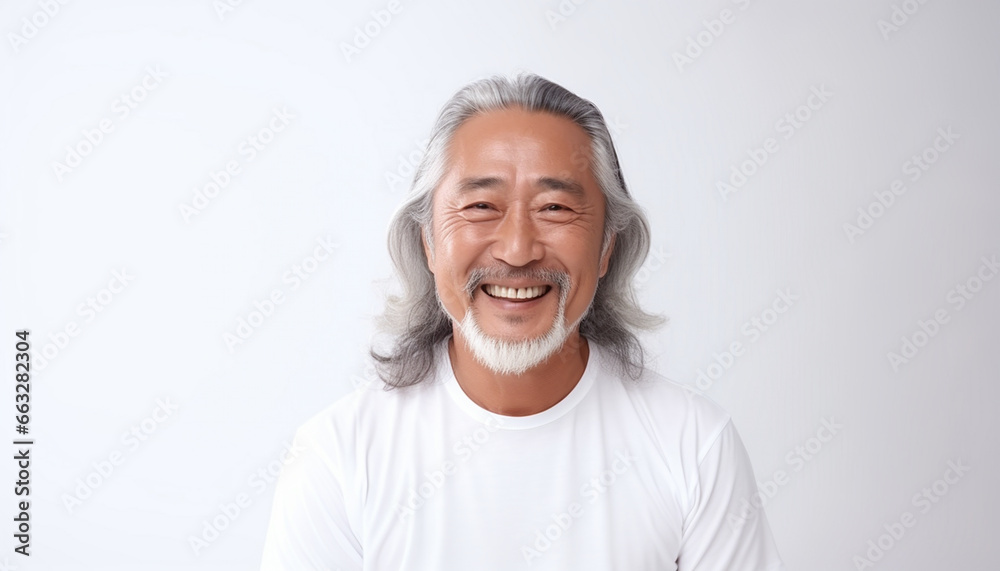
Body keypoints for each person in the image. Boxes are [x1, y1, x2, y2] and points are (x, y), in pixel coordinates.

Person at [259, 73, 786, 570]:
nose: (517, 250)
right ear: (428, 243)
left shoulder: (693, 444)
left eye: (554, 208)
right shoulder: (338, 456)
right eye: (481, 206)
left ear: (607, 246)